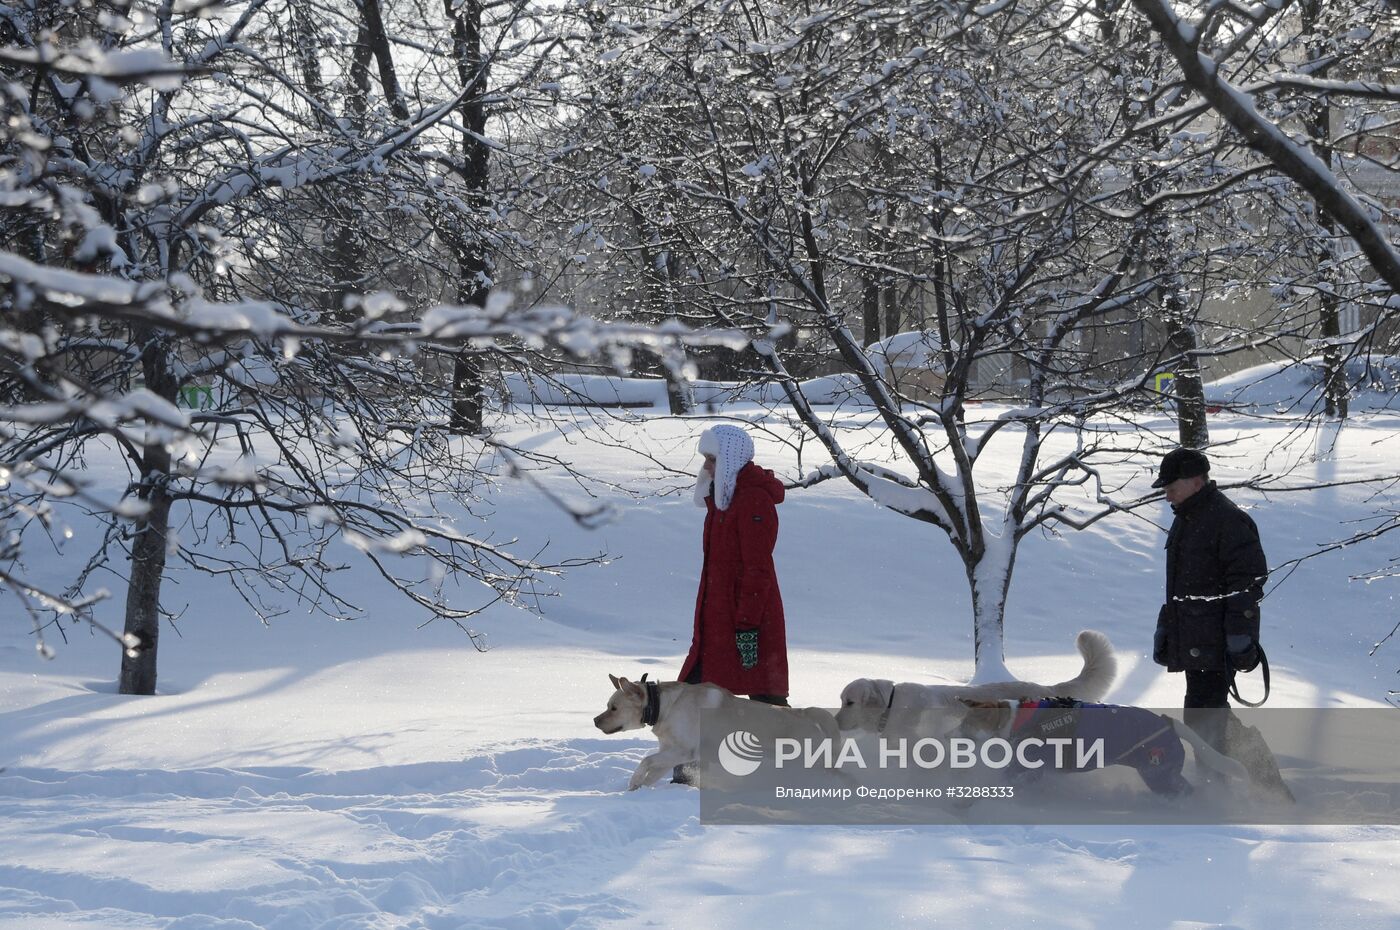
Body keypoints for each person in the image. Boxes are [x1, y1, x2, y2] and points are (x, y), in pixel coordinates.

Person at [1151, 447, 1267, 722]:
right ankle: (1244, 763)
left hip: (1216, 643)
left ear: (1196, 481)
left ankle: (1248, 765)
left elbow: (1247, 587)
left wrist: (1240, 638)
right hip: (1196, 641)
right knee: (1203, 717)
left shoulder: (1228, 520)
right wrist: (1168, 628)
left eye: (1171, 487)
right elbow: (1183, 587)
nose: (1167, 494)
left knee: (1204, 720)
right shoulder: (1187, 519)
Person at [679, 424, 789, 706]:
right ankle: (697, 748)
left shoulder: (753, 500)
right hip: (718, 619)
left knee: (767, 706)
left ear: (731, 458)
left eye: (712, 459)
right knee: (692, 696)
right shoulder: (722, 500)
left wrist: (747, 626)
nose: (706, 466)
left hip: (748, 619)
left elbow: (757, 569)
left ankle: (797, 746)